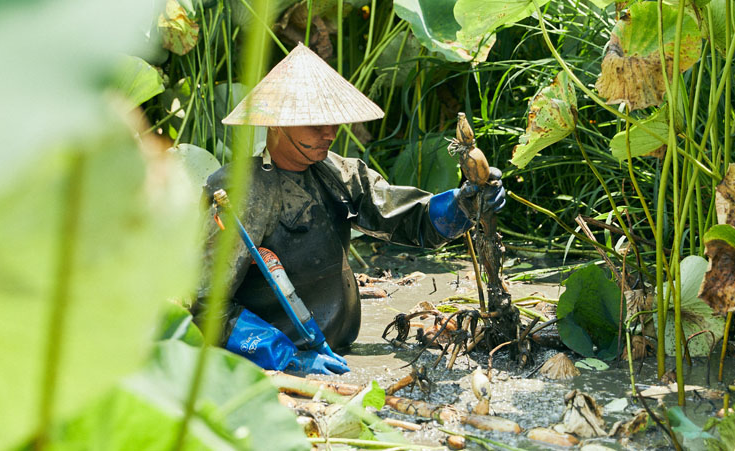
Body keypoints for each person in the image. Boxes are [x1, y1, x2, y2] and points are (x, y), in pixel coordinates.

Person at [195, 43, 505, 374]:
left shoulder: (339, 172)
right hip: (277, 359)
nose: (330, 133)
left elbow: (408, 219)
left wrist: (462, 204)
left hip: (340, 349)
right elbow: (206, 305)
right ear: (276, 123)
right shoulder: (241, 190)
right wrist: (283, 355)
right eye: (315, 123)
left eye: (333, 121)